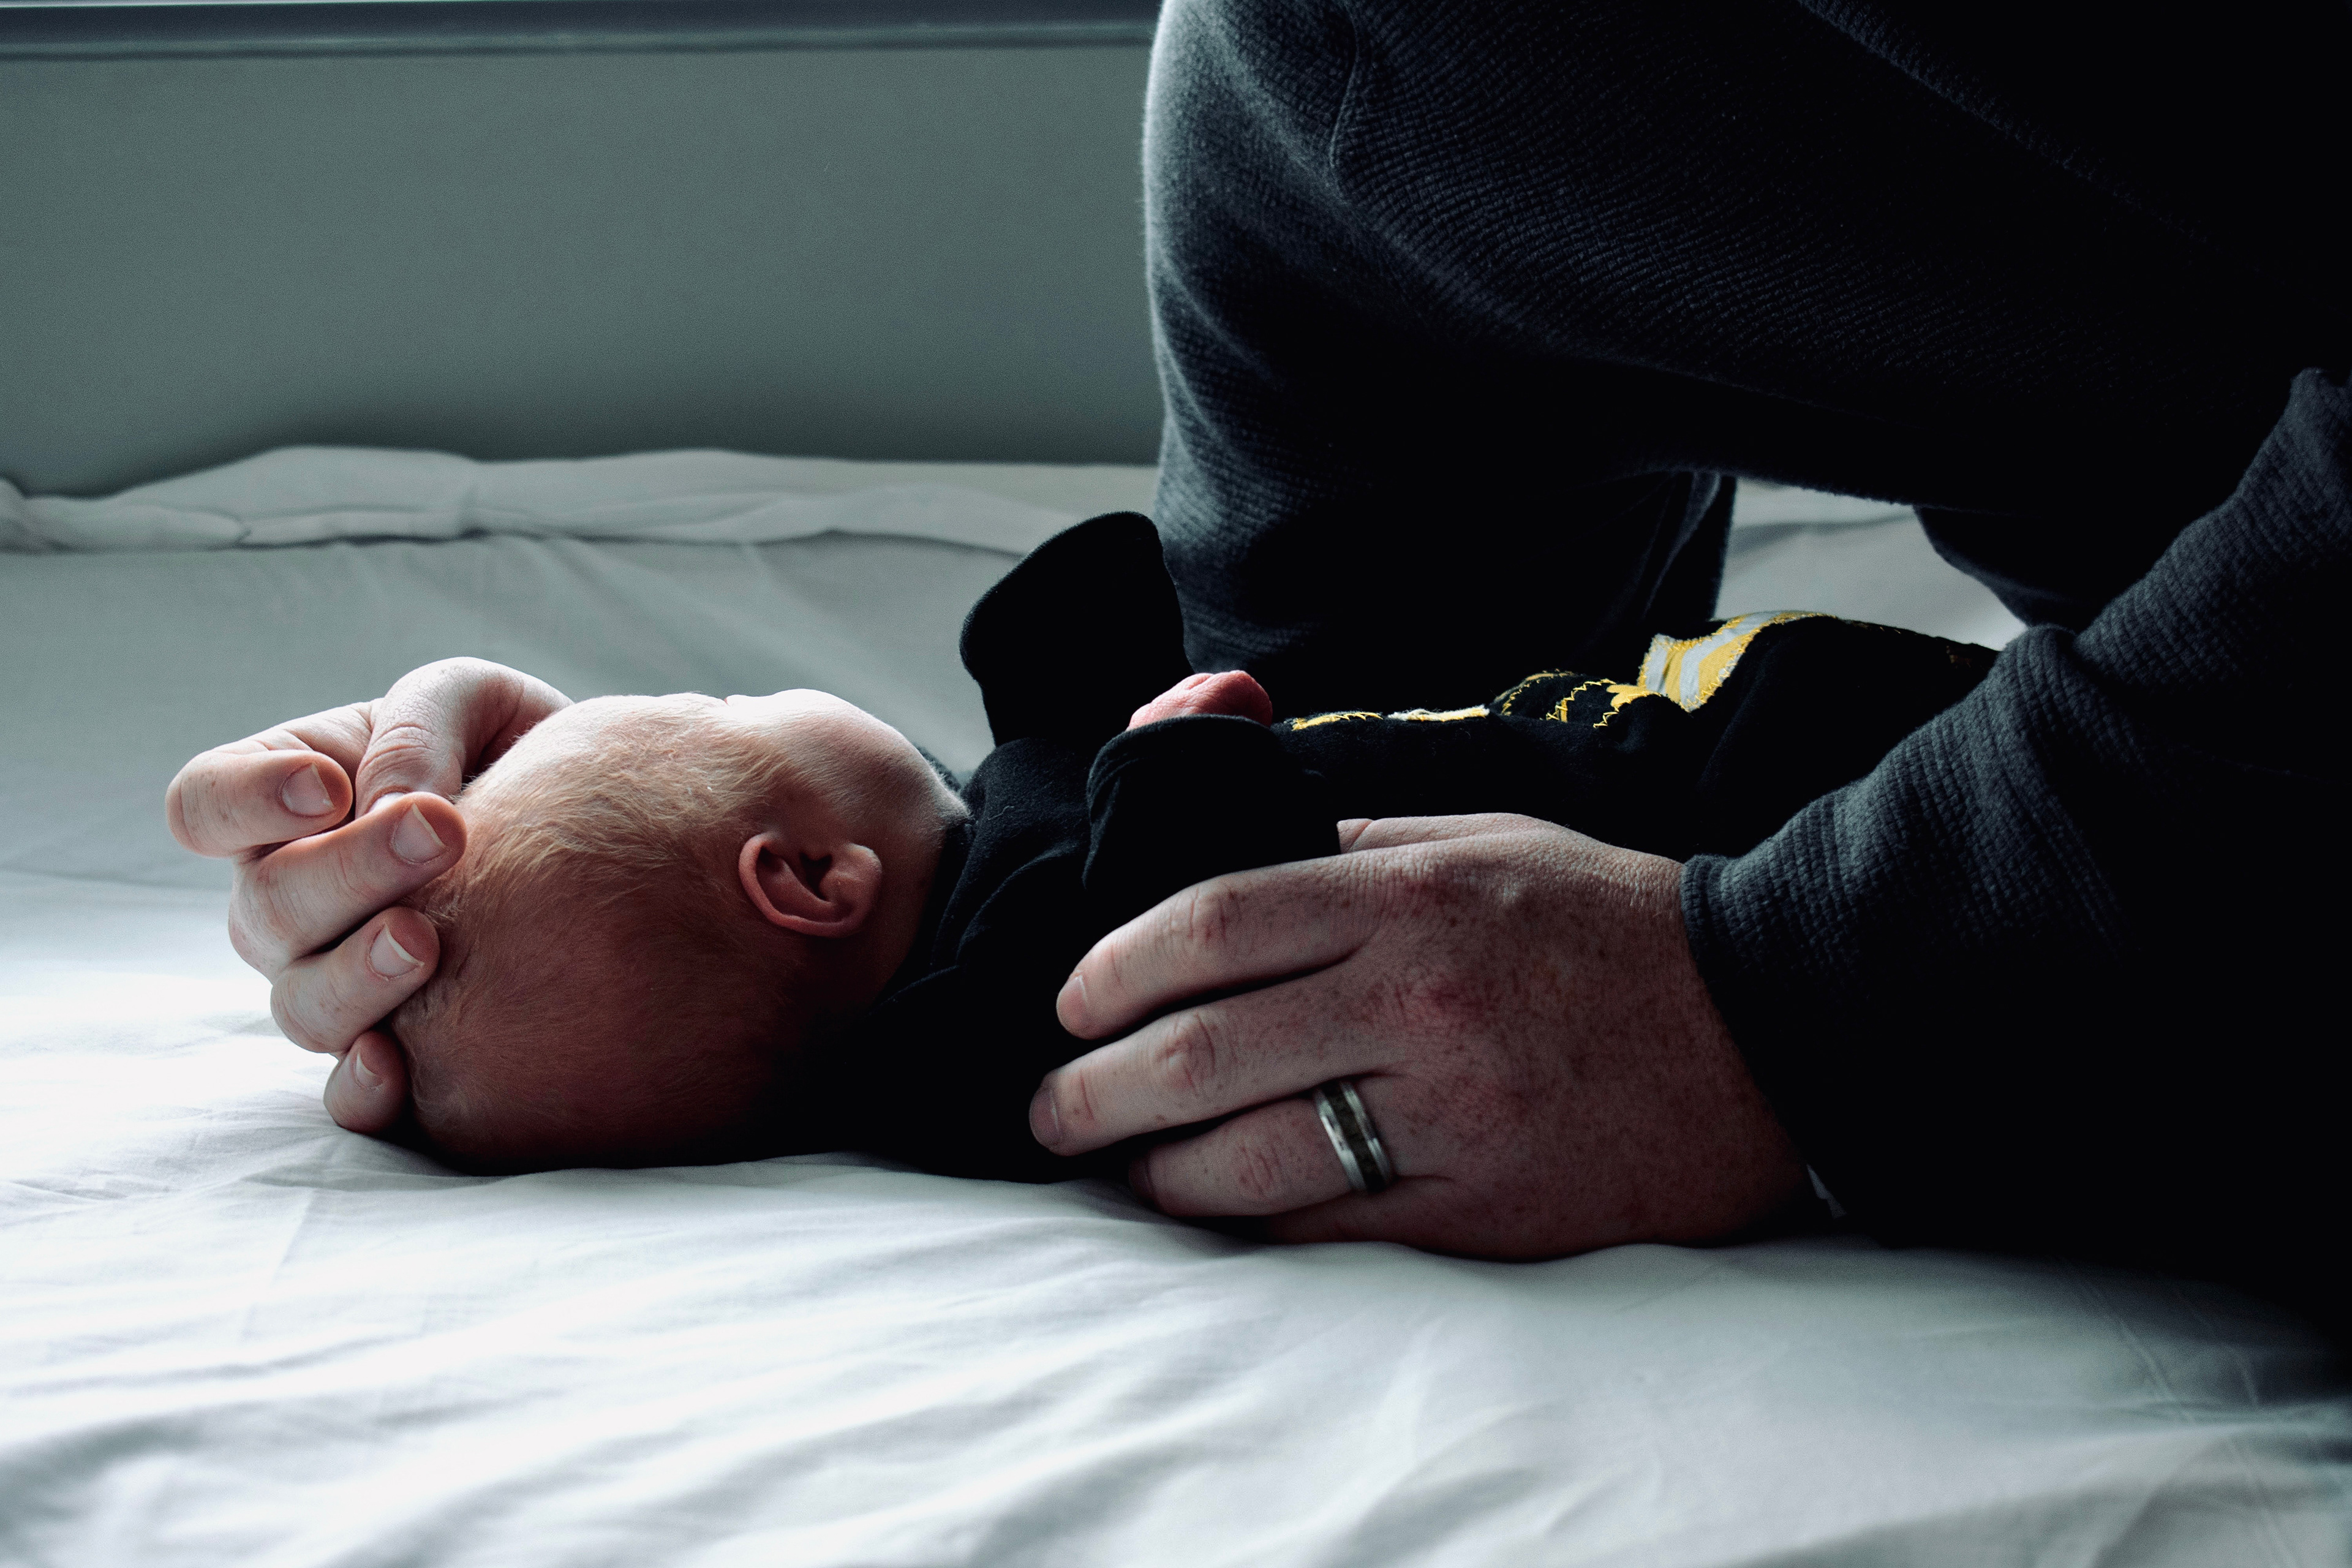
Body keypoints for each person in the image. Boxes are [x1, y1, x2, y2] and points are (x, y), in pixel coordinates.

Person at [169, 2, 2346, 1311]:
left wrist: (1808, 986)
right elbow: (1340, 763)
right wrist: (599, 868)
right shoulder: (1341, 95)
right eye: (723, 713)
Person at [323, 514, 1987, 1200]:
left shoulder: (965, 911)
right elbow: (1194, 917)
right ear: (809, 883)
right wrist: (1181, 761)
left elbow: (1085, 654)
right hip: (1730, 780)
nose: (756, 689)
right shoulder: (994, 1001)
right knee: (1928, 729)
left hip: (1647, 741)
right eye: (728, 704)